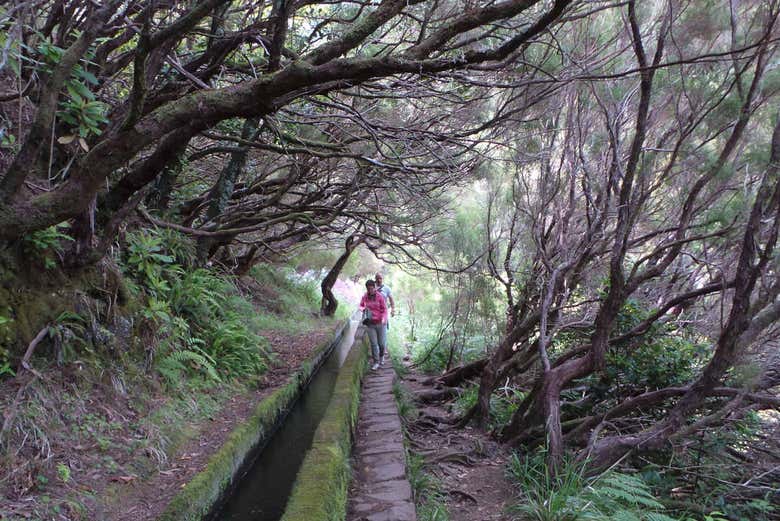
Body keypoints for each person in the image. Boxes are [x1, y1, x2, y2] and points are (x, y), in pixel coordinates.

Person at [359, 279, 387, 370]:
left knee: (381, 344)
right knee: (374, 344)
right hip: (370, 324)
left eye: (372, 288)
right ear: (366, 288)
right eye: (368, 289)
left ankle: (382, 356)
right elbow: (361, 305)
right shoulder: (365, 296)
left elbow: (384, 310)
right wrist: (363, 309)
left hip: (380, 323)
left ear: (374, 288)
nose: (370, 291)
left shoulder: (380, 297)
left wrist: (383, 318)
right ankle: (376, 362)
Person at [375, 273, 394, 364]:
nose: (379, 280)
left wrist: (393, 309)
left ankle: (383, 348)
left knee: (384, 331)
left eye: (380, 278)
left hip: (383, 314)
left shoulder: (386, 288)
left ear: (382, 279)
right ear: (375, 279)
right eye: (377, 278)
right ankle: (378, 350)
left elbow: (391, 299)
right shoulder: (372, 288)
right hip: (374, 314)